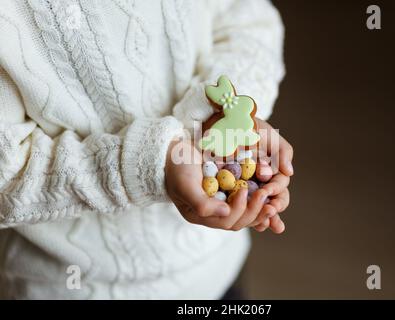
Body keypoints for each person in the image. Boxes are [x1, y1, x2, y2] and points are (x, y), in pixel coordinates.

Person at [0, 0, 292, 299]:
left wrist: (227, 116)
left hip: (213, 266)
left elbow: (248, 17)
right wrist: (152, 164)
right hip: (73, 286)